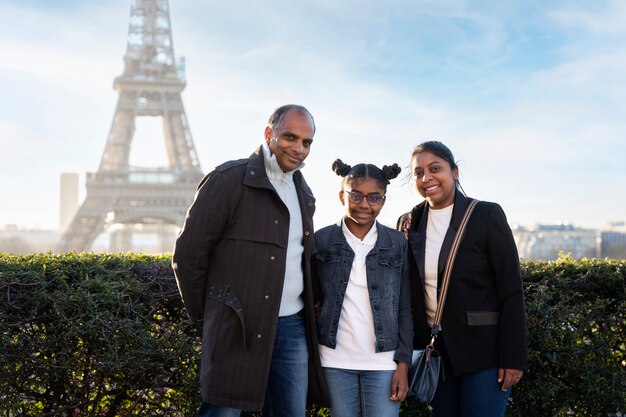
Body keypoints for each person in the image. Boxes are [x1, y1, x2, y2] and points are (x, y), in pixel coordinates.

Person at [172, 104, 330, 417]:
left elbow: (303, 255)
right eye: (290, 137)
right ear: (269, 133)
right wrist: (210, 320)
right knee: (223, 413)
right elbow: (188, 257)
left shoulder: (304, 191)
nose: (299, 148)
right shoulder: (228, 180)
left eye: (307, 142)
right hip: (238, 327)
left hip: (293, 326)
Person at [397, 141, 528, 417]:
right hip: (435, 356)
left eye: (435, 169)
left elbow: (511, 290)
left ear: (454, 172)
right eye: (418, 173)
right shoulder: (408, 222)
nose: (426, 178)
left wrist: (513, 358)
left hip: (485, 352)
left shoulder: (486, 215)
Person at [314, 159, 413, 417]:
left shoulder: (396, 243)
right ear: (341, 195)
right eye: (356, 196)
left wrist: (403, 363)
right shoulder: (321, 240)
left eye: (374, 198)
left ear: (383, 200)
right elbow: (311, 298)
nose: (365, 205)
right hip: (334, 361)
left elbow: (404, 307)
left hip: (384, 362)